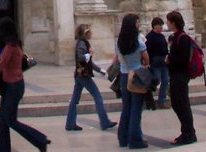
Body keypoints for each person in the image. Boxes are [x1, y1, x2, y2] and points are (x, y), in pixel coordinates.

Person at [0, 20, 50, 152]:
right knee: (3, 119)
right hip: (10, 86)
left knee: (10, 120)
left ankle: (40, 140)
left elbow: (0, 67)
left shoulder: (10, 47)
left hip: (14, 87)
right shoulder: (15, 44)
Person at [65, 23, 116, 132]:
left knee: (74, 99)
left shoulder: (83, 43)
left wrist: (100, 70)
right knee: (97, 96)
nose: (91, 34)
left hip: (80, 74)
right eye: (89, 32)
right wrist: (89, 55)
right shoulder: (82, 44)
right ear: (86, 33)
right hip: (83, 75)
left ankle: (70, 123)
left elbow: (89, 63)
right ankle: (104, 121)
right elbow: (80, 58)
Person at [116, 12, 149, 150]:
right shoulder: (138, 42)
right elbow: (146, 59)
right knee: (136, 109)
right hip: (136, 76)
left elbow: (119, 58)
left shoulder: (119, 42)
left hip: (124, 75)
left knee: (126, 108)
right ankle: (135, 140)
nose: (138, 24)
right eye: (137, 22)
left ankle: (123, 138)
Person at [166, 9, 197, 145]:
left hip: (181, 75)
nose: (166, 23)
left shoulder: (182, 38)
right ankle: (187, 132)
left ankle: (189, 133)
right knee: (178, 104)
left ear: (173, 23)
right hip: (176, 75)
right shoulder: (176, 37)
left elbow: (183, 58)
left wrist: (170, 59)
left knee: (182, 104)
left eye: (168, 21)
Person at [146, 17, 169, 108]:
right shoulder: (149, 37)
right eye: (160, 25)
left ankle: (162, 101)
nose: (161, 27)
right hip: (155, 62)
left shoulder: (162, 36)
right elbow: (147, 50)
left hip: (163, 61)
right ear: (155, 26)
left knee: (165, 80)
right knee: (156, 79)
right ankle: (149, 98)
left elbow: (165, 48)